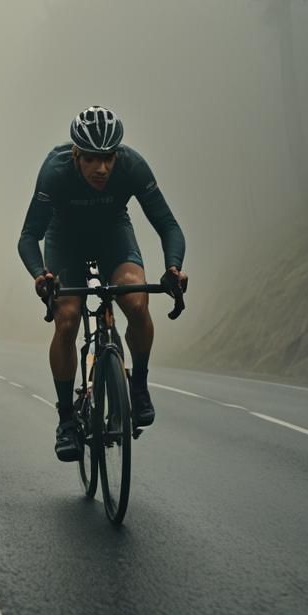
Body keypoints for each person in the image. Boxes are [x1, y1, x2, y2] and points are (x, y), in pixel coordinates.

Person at [17, 105, 188, 462]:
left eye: (108, 158)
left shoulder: (133, 166)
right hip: (65, 240)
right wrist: (40, 276)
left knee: (137, 302)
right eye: (92, 159)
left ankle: (138, 385)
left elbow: (168, 225)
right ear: (77, 154)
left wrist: (173, 268)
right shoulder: (55, 171)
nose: (102, 168)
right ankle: (66, 420)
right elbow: (28, 237)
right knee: (66, 320)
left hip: (114, 234)